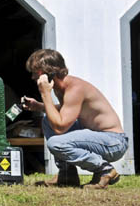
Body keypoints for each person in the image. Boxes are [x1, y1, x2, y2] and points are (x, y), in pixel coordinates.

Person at [21, 49, 129, 189]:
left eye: (34, 72)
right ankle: (67, 175)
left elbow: (60, 127)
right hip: (98, 137)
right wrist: (39, 106)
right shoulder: (61, 87)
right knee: (48, 120)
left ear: (44, 72)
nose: (33, 77)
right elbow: (67, 110)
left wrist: (45, 93)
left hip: (113, 142)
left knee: (56, 143)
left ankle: (105, 170)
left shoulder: (75, 88)